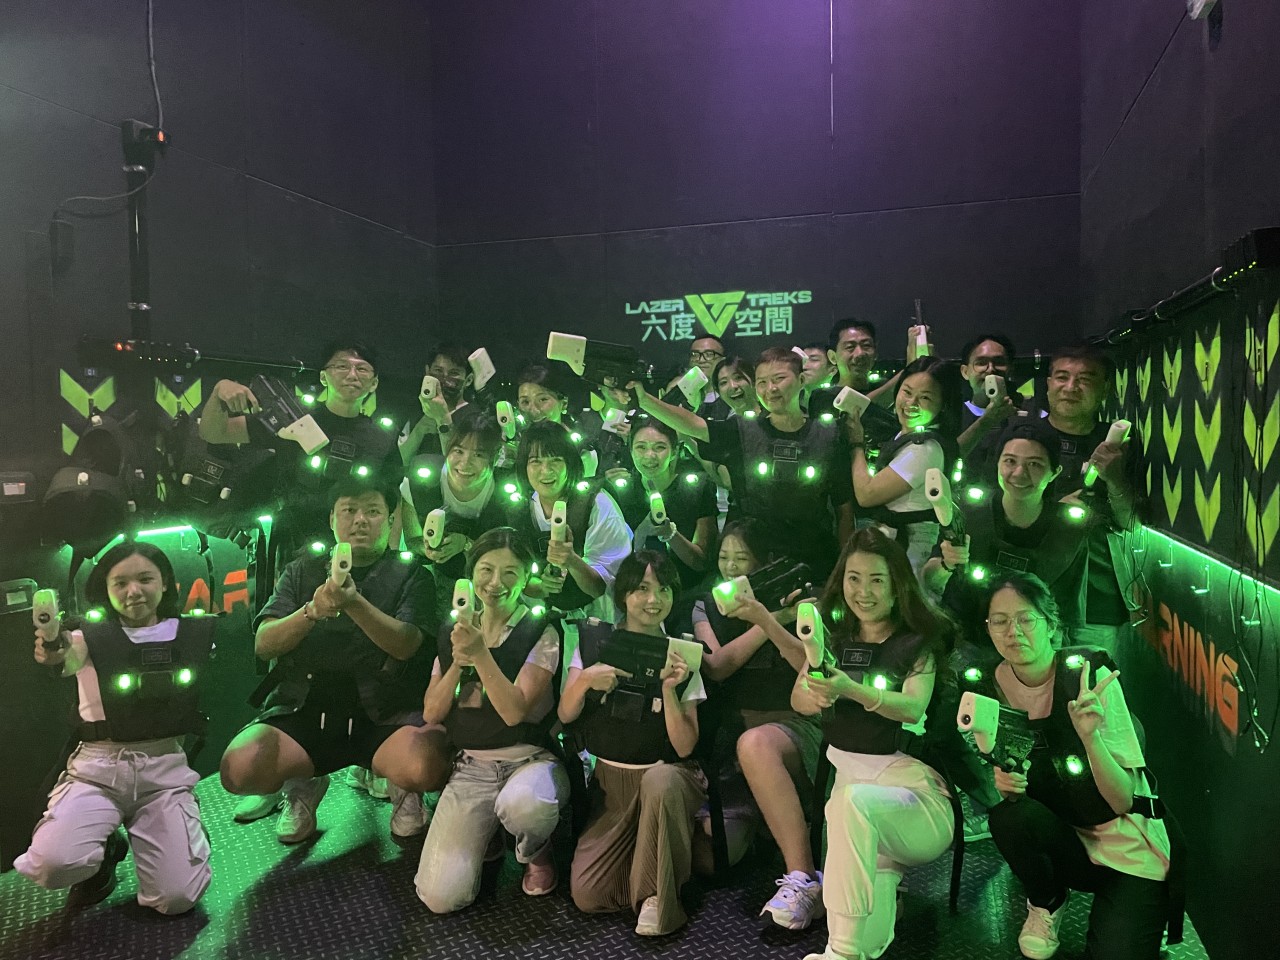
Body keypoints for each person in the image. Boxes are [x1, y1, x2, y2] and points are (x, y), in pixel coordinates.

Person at [219, 477, 449, 844]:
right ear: (331, 519)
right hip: (305, 706)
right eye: (349, 510)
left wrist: (354, 604)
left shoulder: (413, 574)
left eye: (373, 511)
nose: (360, 520)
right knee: (239, 769)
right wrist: (311, 611)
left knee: (427, 766)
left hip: (384, 711)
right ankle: (302, 784)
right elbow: (264, 644)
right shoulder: (301, 569)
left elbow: (406, 645)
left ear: (391, 520)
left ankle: (402, 787)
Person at [969, 573, 1171, 960]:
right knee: (1009, 817)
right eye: (1000, 621)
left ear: (1051, 625)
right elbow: (1012, 784)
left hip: (1124, 841)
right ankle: (1047, 901)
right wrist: (1006, 783)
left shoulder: (1089, 676)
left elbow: (1122, 801)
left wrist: (1090, 737)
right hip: (1066, 837)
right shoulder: (988, 688)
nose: (1013, 632)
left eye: (1026, 619)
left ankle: (1143, 909)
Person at [16, 542, 213, 914]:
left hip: (163, 772)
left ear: (165, 582)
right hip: (97, 771)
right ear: (105, 589)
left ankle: (170, 836)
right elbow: (62, 654)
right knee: (51, 864)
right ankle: (107, 848)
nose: (133, 591)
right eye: (120, 583)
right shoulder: (87, 637)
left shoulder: (190, 632)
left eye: (145, 579)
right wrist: (52, 646)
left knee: (176, 898)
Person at [792, 528, 956, 960]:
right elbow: (798, 699)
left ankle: (839, 953)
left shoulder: (919, 642)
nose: (863, 591)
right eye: (854, 578)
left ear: (897, 584)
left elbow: (913, 707)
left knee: (850, 804)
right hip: (860, 814)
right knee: (870, 942)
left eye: (876, 579)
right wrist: (816, 693)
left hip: (917, 801)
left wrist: (850, 689)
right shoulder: (830, 636)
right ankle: (850, 948)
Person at [414, 529, 569, 912]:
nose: (495, 582)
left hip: (531, 761)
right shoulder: (453, 631)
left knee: (525, 806)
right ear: (471, 574)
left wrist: (480, 654)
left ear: (526, 577)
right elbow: (432, 712)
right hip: (472, 767)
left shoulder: (541, 630)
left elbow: (514, 712)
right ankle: (489, 833)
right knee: (440, 897)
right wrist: (457, 662)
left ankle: (536, 851)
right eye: (486, 570)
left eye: (510, 572)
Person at [561, 551, 707, 937]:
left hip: (666, 778)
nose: (653, 599)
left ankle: (657, 897)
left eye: (664, 589)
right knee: (588, 895)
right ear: (623, 594)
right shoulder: (595, 642)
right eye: (641, 588)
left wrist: (670, 691)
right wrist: (585, 681)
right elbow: (566, 714)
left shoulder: (683, 653)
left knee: (660, 781)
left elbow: (685, 746)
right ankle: (662, 858)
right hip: (611, 786)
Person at [621, 346, 855, 582]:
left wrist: (845, 566)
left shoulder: (829, 435)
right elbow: (695, 425)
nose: (770, 389)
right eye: (762, 382)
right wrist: (644, 400)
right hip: (750, 561)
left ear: (801, 380)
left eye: (779, 379)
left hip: (813, 560)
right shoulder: (742, 431)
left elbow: (843, 508)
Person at [692, 519, 825, 929]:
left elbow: (810, 668)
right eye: (723, 557)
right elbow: (716, 665)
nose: (731, 567)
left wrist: (776, 616)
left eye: (742, 558)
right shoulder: (705, 605)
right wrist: (770, 619)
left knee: (757, 744)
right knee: (710, 860)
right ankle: (767, 827)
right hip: (734, 742)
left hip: (794, 729)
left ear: (763, 564)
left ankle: (803, 877)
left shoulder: (801, 601)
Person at [922, 421, 1090, 646]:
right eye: (1010, 461)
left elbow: (1071, 614)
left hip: (1031, 646)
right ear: (997, 463)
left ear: (1054, 472)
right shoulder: (969, 512)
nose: (1019, 473)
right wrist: (947, 564)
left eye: (1035, 464)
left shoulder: (1069, 529)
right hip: (966, 639)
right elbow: (930, 580)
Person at [503, 420, 632, 622]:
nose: (545, 470)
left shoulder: (596, 504)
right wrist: (541, 586)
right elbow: (515, 576)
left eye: (555, 460)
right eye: (535, 461)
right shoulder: (518, 508)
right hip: (543, 617)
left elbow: (602, 587)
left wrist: (571, 560)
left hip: (598, 617)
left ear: (570, 463)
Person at [846, 356, 965, 575]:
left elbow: (866, 494)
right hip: (892, 547)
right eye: (907, 392)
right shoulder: (906, 435)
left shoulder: (925, 449)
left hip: (908, 554)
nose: (911, 403)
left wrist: (856, 444)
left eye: (925, 397)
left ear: (943, 404)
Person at [400, 410, 513, 615]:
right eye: (458, 451)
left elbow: (510, 556)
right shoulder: (421, 480)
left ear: (495, 457)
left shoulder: (507, 491)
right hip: (436, 580)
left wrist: (466, 544)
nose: (465, 463)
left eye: (478, 454)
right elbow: (412, 539)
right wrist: (427, 549)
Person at [606, 415, 718, 604]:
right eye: (641, 447)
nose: (649, 455)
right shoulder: (621, 491)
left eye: (659, 447)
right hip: (635, 593)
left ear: (674, 451)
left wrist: (670, 534)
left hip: (687, 593)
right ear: (631, 451)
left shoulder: (697, 488)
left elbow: (701, 561)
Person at [400, 343, 476, 462]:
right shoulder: (414, 410)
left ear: (469, 380)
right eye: (438, 370)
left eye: (454, 373)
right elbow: (401, 461)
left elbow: (461, 463)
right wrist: (423, 425)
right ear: (427, 371)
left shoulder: (475, 418)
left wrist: (443, 420)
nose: (444, 378)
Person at [956, 332, 1020, 456]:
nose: (991, 369)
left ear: (1010, 369)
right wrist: (988, 420)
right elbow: (946, 457)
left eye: (999, 362)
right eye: (981, 363)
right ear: (965, 372)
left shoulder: (1031, 410)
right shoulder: (953, 415)